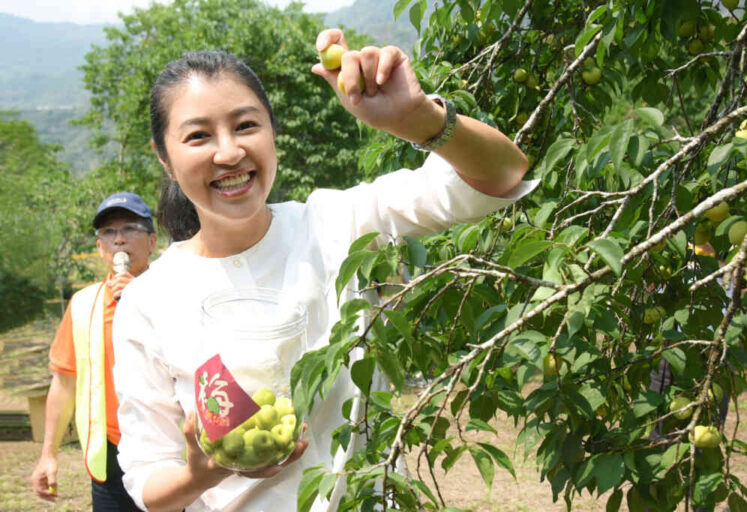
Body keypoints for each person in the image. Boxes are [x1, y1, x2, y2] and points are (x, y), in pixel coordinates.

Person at [112, 28, 536, 512]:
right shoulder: (149, 301)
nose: (228, 152)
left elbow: (503, 176)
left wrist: (417, 117)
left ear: (274, 132)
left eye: (246, 125)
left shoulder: (337, 223)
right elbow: (148, 480)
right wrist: (202, 474)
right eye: (198, 136)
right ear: (165, 158)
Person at [30, 192, 157, 511]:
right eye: (108, 232)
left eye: (130, 228)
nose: (119, 239)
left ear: (152, 242)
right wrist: (48, 454)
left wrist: (141, 302)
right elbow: (64, 384)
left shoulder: (177, 293)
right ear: (100, 247)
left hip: (168, 450)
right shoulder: (82, 305)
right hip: (109, 456)